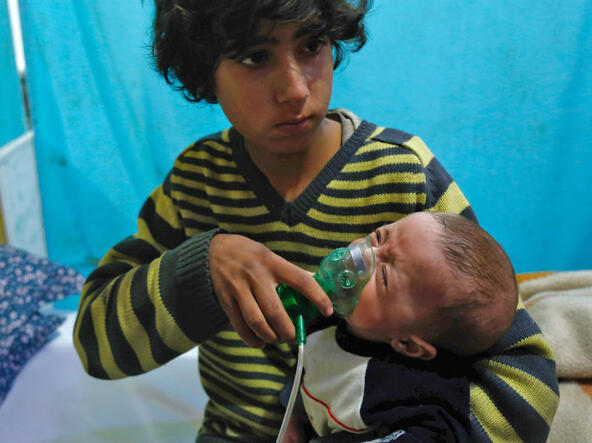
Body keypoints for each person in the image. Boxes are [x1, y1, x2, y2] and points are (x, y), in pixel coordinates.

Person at [73, 1, 558, 442]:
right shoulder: (196, 183)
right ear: (204, 68)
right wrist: (203, 268)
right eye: (254, 57)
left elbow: (519, 366)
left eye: (311, 45)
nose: (295, 89)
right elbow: (95, 348)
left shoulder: (402, 173)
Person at [283, 211, 520, 442]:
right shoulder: (330, 314)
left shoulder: (407, 389)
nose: (363, 255)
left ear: (408, 344)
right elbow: (310, 366)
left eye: (383, 276)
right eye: (378, 238)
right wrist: (294, 416)